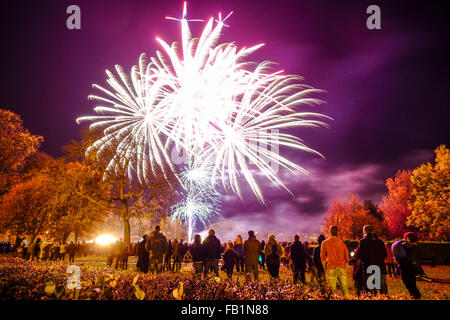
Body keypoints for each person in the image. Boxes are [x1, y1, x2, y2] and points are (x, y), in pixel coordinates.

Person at [354, 225, 388, 295]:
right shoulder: (380, 241)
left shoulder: (363, 241)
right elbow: (385, 255)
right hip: (380, 266)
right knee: (382, 288)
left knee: (370, 288)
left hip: (368, 266)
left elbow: (359, 255)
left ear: (364, 231)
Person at [320, 225, 350, 299]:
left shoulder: (325, 243)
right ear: (337, 232)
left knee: (332, 291)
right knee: (345, 290)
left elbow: (322, 257)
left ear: (330, 232)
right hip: (341, 267)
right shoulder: (342, 243)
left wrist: (325, 268)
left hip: (331, 267)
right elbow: (347, 257)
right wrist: (345, 268)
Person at [391, 232, 422, 299]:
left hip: (404, 266)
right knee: (411, 284)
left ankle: (415, 296)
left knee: (409, 284)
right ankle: (415, 296)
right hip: (408, 266)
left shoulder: (401, 244)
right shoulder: (406, 245)